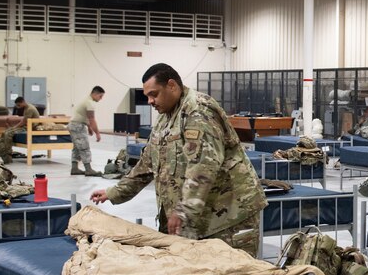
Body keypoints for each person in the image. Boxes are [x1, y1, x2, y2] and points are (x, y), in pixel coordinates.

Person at [90, 64, 267, 257]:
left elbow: (204, 165)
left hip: (228, 218)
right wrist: (114, 192)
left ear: (172, 85)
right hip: (193, 219)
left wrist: (183, 210)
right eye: (147, 96)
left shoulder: (198, 110)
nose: (150, 101)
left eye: (154, 94)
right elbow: (147, 165)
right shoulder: (165, 118)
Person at [69, 86, 105, 176]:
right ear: (95, 94)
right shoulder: (89, 103)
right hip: (78, 126)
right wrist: (97, 133)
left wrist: (89, 127)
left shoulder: (86, 100)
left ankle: (74, 168)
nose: (101, 99)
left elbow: (84, 116)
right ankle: (88, 169)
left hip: (74, 125)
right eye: (100, 96)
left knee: (77, 147)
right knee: (84, 147)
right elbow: (91, 118)